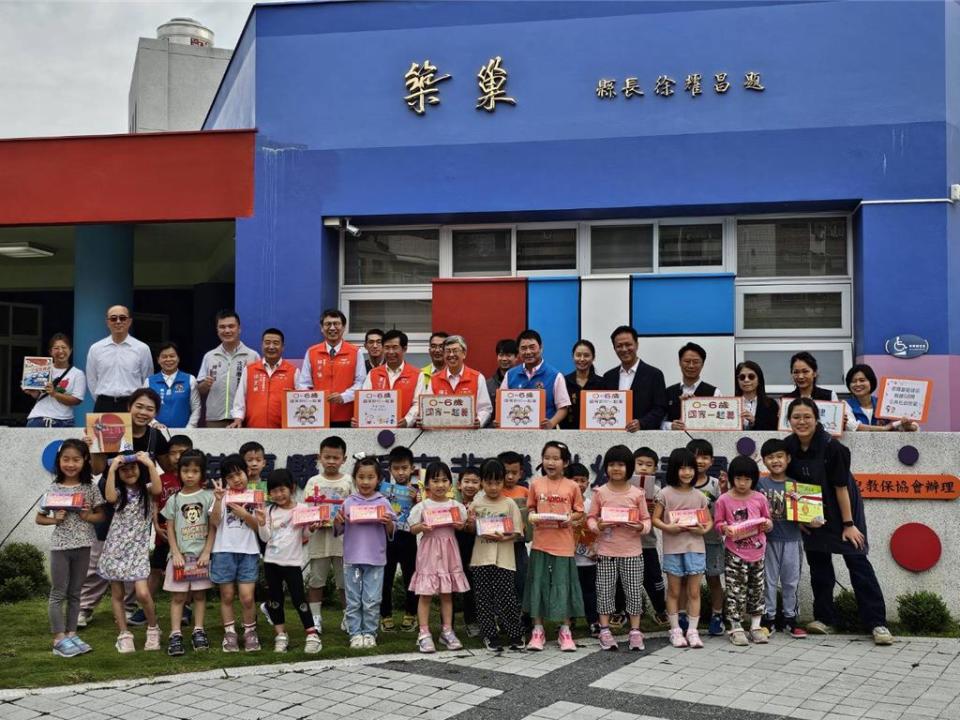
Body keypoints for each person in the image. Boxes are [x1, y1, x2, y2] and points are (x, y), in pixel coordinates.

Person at [784, 397, 894, 646]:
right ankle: (825, 619)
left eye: (807, 417)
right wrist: (799, 518)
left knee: (858, 563)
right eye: (796, 417)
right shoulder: (788, 446)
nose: (801, 422)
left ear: (816, 419)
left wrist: (849, 524)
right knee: (819, 566)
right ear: (788, 420)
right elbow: (791, 486)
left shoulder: (833, 447)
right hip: (812, 512)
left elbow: (841, 487)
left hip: (843, 509)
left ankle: (877, 623)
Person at [81, 388, 170, 625]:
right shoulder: (111, 427)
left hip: (139, 504)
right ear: (129, 406)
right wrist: (93, 446)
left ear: (156, 413)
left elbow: (169, 467)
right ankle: (85, 607)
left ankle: (129, 607)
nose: (143, 412)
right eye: (139, 406)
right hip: (110, 499)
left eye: (150, 409)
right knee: (99, 553)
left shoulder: (155, 437)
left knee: (135, 554)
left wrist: (174, 445)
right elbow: (98, 469)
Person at [36, 439, 105, 657]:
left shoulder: (90, 488)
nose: (71, 464)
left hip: (84, 545)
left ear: (85, 460)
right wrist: (55, 519)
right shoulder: (53, 488)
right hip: (60, 547)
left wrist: (87, 515)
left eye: (76, 459)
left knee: (76, 592)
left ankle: (72, 633)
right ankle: (58, 639)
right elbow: (39, 518)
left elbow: (101, 515)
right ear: (59, 461)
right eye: (66, 459)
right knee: (58, 593)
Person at [587, 445, 651, 652]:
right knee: (605, 592)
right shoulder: (600, 492)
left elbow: (647, 519)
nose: (616, 468)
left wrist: (641, 527)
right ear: (605, 468)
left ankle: (635, 631)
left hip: (632, 552)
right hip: (606, 552)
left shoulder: (637, 494)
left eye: (621, 465)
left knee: (633, 592)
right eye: (612, 464)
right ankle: (604, 630)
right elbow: (591, 518)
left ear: (629, 468)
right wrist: (598, 527)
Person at [98, 452, 162, 653]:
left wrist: (150, 464)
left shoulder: (148, 490)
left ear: (140, 469)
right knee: (118, 593)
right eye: (124, 470)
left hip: (138, 550)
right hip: (114, 549)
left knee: (143, 593)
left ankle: (153, 628)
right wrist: (112, 468)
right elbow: (109, 497)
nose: (129, 472)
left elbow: (159, 489)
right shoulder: (118, 492)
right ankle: (124, 634)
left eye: (133, 468)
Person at [524, 440, 585, 652]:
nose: (551, 462)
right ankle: (537, 630)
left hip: (563, 545)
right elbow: (530, 508)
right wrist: (532, 516)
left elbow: (579, 511)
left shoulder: (573, 486)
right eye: (547, 457)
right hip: (541, 543)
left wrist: (571, 518)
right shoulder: (536, 484)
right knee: (538, 585)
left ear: (565, 462)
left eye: (556, 458)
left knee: (563, 586)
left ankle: (565, 631)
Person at [256, 469, 322, 654]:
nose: (278, 494)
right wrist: (261, 522)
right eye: (274, 491)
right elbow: (265, 537)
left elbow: (305, 534)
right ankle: (281, 635)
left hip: (292, 563)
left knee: (299, 599)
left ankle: (311, 634)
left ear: (291, 488)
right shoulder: (269, 510)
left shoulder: (302, 509)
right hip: (271, 562)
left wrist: (312, 528)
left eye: (282, 490)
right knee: (275, 600)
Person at [409, 461, 470, 653]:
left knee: (446, 593)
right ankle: (424, 633)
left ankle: (447, 631)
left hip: (449, 551)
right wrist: (421, 527)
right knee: (425, 594)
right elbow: (412, 528)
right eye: (435, 480)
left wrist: (461, 525)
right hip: (429, 551)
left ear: (450, 484)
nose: (440, 485)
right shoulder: (422, 506)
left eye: (444, 480)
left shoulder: (456, 506)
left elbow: (463, 525)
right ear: (427, 484)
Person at [335, 456, 396, 649]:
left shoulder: (383, 502)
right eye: (361, 477)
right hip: (352, 558)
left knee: (371, 599)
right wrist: (338, 520)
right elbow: (339, 529)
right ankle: (355, 633)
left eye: (371, 477)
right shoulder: (348, 502)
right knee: (353, 600)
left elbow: (392, 532)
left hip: (376, 559)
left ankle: (369, 633)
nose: (366, 481)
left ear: (378, 479)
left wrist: (388, 523)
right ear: (355, 479)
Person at [652, 448, 711, 649]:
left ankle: (693, 631)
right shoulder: (665, 493)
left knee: (694, 592)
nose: (687, 473)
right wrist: (669, 527)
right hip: (673, 549)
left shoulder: (700, 496)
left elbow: (708, 522)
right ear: (674, 470)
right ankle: (675, 630)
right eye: (682, 468)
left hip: (695, 548)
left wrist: (702, 530)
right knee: (674, 591)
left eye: (690, 468)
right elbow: (655, 519)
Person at [465, 459, 525, 652]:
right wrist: (473, 523)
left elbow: (517, 532)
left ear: (503, 482)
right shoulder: (476, 503)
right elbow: (470, 528)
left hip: (505, 559)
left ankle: (514, 633)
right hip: (482, 558)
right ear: (482, 482)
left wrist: (503, 536)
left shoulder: (509, 504)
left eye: (497, 483)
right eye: (489, 483)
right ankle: (490, 635)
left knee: (507, 597)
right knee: (483, 598)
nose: (493, 487)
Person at [713, 455, 773, 646]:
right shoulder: (724, 500)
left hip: (758, 552)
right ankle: (735, 626)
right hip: (735, 552)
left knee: (757, 588)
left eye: (747, 479)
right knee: (735, 590)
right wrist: (724, 528)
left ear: (753, 479)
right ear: (732, 478)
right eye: (738, 478)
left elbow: (768, 520)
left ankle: (756, 626)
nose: (742, 483)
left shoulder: (760, 498)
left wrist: (767, 525)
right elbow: (718, 523)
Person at [161, 449, 216, 656]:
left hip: (200, 558)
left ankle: (199, 630)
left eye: (195, 471)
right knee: (178, 597)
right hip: (180, 559)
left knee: (200, 596)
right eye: (186, 470)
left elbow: (213, 526)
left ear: (202, 473)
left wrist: (206, 552)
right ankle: (175, 634)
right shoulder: (174, 500)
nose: (190, 475)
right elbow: (169, 527)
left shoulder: (209, 497)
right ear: (179, 471)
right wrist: (175, 553)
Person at [757, 438, 810, 638]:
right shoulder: (759, 484)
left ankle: (790, 619)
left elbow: (807, 516)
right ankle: (768, 619)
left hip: (792, 540)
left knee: (791, 581)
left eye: (779, 456)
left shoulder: (796, 486)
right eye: (770, 457)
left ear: (788, 458)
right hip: (767, 541)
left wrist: (812, 520)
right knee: (768, 580)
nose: (775, 461)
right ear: (763, 461)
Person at [210, 455, 262, 652]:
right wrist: (217, 500)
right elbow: (214, 523)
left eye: (239, 473)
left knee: (247, 597)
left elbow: (260, 528)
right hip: (223, 551)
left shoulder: (256, 496)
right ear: (225, 479)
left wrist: (245, 514)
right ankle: (230, 633)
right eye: (231, 476)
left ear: (246, 472)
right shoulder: (222, 495)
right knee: (227, 595)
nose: (237, 479)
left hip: (249, 551)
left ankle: (250, 632)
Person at [302, 436, 351, 631]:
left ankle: (349, 616)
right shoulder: (313, 481)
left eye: (336, 457)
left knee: (344, 582)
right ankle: (315, 618)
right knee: (316, 580)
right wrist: (312, 525)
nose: (331, 461)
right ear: (319, 457)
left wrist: (345, 519)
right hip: (319, 538)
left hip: (342, 539)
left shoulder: (349, 481)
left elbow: (355, 506)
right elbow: (307, 509)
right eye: (327, 457)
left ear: (344, 459)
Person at [146, 435, 192, 621]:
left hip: (188, 536)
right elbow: (155, 503)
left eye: (182, 452)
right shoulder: (161, 478)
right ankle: (146, 607)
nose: (177, 457)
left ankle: (186, 608)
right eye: (173, 453)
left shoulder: (194, 477)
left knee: (187, 570)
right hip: (163, 534)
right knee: (156, 569)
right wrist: (156, 526)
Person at [296, 309, 366, 428]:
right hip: (316, 415)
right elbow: (303, 383)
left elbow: (361, 382)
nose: (332, 328)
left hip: (347, 415)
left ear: (343, 327)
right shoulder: (312, 352)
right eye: (328, 324)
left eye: (336, 324)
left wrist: (343, 397)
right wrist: (314, 400)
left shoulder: (355, 352)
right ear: (322, 328)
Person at [687, 438, 726, 637]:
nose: (700, 461)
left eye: (705, 457)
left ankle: (717, 615)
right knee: (686, 579)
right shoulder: (683, 484)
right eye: (695, 457)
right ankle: (686, 615)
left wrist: (726, 489)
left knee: (713, 578)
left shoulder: (716, 485)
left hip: (711, 539)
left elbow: (726, 506)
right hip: (687, 541)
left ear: (711, 461)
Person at [379, 446, 420, 633]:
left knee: (411, 577)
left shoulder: (419, 491)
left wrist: (417, 501)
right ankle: (385, 615)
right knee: (385, 578)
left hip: (408, 538)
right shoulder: (382, 489)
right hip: (387, 539)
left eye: (404, 468)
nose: (401, 472)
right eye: (396, 468)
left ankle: (411, 614)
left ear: (412, 468)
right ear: (390, 470)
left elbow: (426, 513)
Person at [411, 335, 493, 427]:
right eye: (447, 351)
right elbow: (426, 408)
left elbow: (485, 408)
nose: (451, 355)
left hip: (469, 435)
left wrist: (479, 421)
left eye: (455, 351)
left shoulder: (477, 377)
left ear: (464, 353)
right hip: (440, 435)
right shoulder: (434, 379)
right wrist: (423, 419)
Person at [85, 305, 154, 413]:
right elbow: (91, 379)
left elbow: (147, 379)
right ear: (107, 322)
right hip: (104, 403)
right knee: (101, 431)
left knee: (133, 431)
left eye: (122, 318)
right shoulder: (95, 349)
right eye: (113, 318)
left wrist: (139, 402)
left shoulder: (142, 348)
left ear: (129, 321)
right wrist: (104, 399)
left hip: (132, 404)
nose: (118, 321)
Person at [198, 310, 260, 428]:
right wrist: (205, 384)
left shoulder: (252, 356)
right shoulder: (210, 356)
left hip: (244, 418)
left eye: (231, 326)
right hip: (215, 418)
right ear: (217, 330)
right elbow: (200, 390)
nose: (227, 330)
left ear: (239, 329)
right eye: (222, 327)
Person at [500, 329, 571, 429]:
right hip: (515, 432)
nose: (528, 352)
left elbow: (563, 408)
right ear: (518, 351)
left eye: (532, 347)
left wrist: (551, 423)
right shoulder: (510, 375)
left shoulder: (555, 375)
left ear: (541, 348)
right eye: (523, 348)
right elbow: (502, 404)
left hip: (544, 434)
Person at [602, 326, 668, 431]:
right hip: (614, 437)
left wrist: (641, 423)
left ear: (637, 345)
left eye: (628, 345)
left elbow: (660, 408)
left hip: (644, 437)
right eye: (619, 346)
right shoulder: (608, 377)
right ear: (614, 348)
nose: (624, 349)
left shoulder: (654, 374)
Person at [228, 328, 297, 429]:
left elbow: (300, 402)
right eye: (267, 342)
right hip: (253, 429)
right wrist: (238, 419)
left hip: (284, 431)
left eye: (276, 343)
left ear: (283, 347)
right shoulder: (249, 370)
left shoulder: (293, 371)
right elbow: (240, 398)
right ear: (262, 345)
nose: (271, 346)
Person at [498, 449, 532, 634]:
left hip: (519, 545)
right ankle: (503, 618)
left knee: (522, 579)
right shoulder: (494, 491)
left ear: (521, 473)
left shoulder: (525, 492)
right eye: (506, 472)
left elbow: (532, 516)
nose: (510, 476)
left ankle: (524, 616)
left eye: (514, 472)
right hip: (499, 545)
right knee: (503, 582)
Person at [633, 447, 668, 624]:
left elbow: (661, 519)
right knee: (622, 580)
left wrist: (654, 512)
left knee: (654, 578)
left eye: (649, 465)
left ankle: (660, 609)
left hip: (647, 543)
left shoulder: (656, 491)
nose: (644, 468)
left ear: (655, 468)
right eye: (639, 464)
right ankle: (621, 611)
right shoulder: (625, 487)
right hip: (625, 544)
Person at [358, 329, 421, 427]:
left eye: (395, 347)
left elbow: (418, 403)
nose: (390, 352)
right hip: (376, 429)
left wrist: (407, 421)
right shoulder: (373, 373)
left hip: (406, 431)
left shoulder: (417, 374)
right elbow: (364, 401)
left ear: (404, 349)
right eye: (387, 347)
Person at [25, 333, 86, 427]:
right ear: (50, 352)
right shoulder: (42, 368)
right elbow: (39, 395)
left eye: (64, 347)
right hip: (38, 418)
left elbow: (77, 400)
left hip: (64, 421)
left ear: (70, 350)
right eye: (56, 348)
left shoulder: (77, 374)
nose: (60, 351)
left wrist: (54, 394)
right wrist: (32, 391)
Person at [663, 342, 722, 430]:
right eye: (687, 361)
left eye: (696, 362)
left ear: (702, 364)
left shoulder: (715, 393)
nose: (691, 366)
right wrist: (670, 425)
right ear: (679, 363)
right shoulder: (667, 392)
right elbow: (658, 421)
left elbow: (721, 422)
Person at [569, 463, 599, 636]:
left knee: (590, 592)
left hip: (589, 559)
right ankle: (569, 621)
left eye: (583, 480)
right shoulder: (565, 504)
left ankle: (593, 621)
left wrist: (597, 549)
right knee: (570, 592)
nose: (580, 484)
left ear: (588, 483)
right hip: (569, 558)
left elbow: (598, 529)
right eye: (575, 480)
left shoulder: (591, 504)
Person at [843, 363, 918, 432]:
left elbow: (914, 426)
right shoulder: (845, 405)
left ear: (871, 382)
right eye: (853, 381)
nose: (858, 384)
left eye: (862, 380)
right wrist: (884, 428)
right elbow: (852, 426)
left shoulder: (885, 403)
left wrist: (907, 425)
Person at [146, 342, 200, 428]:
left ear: (178, 358)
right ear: (158, 360)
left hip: (184, 433)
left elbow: (196, 407)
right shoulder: (149, 381)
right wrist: (154, 424)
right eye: (164, 357)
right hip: (157, 431)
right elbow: (145, 408)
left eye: (172, 356)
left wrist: (190, 427)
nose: (168, 359)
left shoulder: (190, 379)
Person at [455, 466, 481, 638]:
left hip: (475, 549)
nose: (470, 485)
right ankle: (447, 625)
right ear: (459, 485)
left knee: (472, 587)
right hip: (453, 548)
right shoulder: (451, 504)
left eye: (474, 482)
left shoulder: (482, 505)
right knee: (450, 586)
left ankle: (472, 622)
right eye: (466, 481)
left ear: (480, 485)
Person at [561, 339, 605, 430]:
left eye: (586, 355)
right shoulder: (563, 381)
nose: (581, 359)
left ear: (593, 357)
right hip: (567, 434)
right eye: (578, 355)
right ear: (573, 357)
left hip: (595, 433)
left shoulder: (602, 383)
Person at [735, 361, 780, 431]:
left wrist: (754, 422)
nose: (746, 380)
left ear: (759, 380)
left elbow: (774, 430)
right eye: (742, 377)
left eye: (751, 377)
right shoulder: (731, 404)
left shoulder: (771, 404)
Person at [486, 338, 518, 405]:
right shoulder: (488, 384)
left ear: (516, 357)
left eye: (508, 355)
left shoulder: (524, 380)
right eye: (501, 355)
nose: (504, 359)